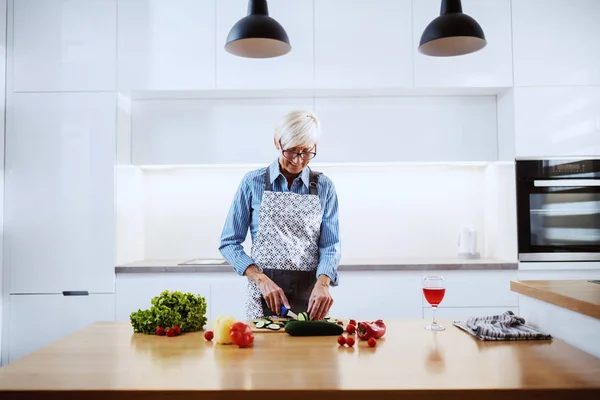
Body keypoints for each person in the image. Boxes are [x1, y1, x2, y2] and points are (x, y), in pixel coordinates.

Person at [219, 110, 342, 321]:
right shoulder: (252, 183)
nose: (298, 160)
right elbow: (229, 243)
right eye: (292, 151)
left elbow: (330, 246)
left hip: (312, 296)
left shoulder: (324, 187)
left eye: (306, 152)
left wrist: (323, 283)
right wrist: (260, 279)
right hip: (265, 295)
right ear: (277, 143)